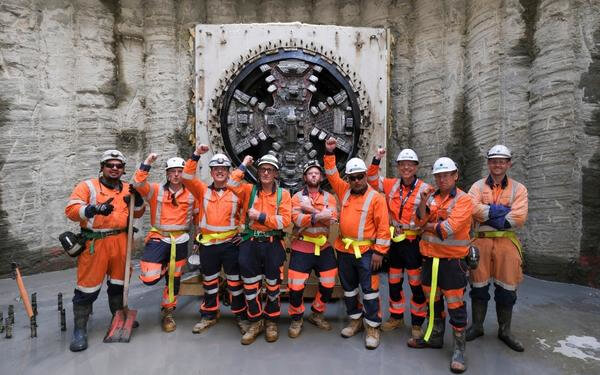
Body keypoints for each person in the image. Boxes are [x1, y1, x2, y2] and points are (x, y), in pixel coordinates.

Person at [65, 149, 145, 352]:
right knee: (87, 289)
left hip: (121, 241)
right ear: (102, 168)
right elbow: (71, 210)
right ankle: (80, 331)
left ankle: (118, 318)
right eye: (110, 165)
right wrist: (93, 209)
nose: (114, 168)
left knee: (119, 284)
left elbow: (138, 213)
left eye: (119, 166)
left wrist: (138, 201)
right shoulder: (88, 186)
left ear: (123, 170)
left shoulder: (128, 188)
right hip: (95, 243)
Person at [407, 157, 473, 373]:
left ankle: (459, 350)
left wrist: (426, 226)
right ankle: (434, 338)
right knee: (432, 303)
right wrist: (424, 204)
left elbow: (447, 229)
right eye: (438, 176)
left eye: (446, 175)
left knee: (455, 306)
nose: (442, 179)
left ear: (456, 176)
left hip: (452, 264)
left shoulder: (464, 200)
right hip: (429, 261)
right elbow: (417, 223)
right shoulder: (431, 198)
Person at [323, 138, 390, 350]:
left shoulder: (376, 198)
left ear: (365, 178)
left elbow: (383, 227)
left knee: (370, 290)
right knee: (349, 289)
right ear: (349, 180)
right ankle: (355, 320)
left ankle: (372, 326)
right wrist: (329, 152)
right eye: (353, 178)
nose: (357, 181)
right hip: (344, 250)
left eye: (361, 177)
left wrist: (380, 252)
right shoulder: (344, 191)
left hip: (367, 252)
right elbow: (332, 174)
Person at [466, 145, 528, 352]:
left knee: (507, 288)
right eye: (494, 161)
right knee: (478, 286)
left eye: (502, 161)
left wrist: (489, 214)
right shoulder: (476, 187)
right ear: (488, 163)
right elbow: (471, 208)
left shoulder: (519, 189)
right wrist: (501, 212)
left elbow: (517, 218)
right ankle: (477, 326)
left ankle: (505, 331)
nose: (498, 164)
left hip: (507, 243)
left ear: (509, 163)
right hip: (480, 242)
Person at [181, 145, 248, 334]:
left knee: (235, 282)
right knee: (209, 281)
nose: (220, 172)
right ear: (211, 172)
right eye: (216, 169)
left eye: (224, 169)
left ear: (228, 172)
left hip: (230, 245)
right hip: (208, 245)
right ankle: (209, 314)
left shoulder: (237, 191)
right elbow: (186, 177)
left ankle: (240, 315)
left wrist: (242, 235)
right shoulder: (202, 190)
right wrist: (196, 155)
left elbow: (246, 215)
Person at [226, 153, 291, 345]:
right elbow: (230, 183)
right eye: (262, 169)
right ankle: (255, 321)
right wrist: (245, 164)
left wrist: (261, 217)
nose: (265, 173)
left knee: (273, 286)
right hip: (250, 243)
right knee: (250, 285)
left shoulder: (283, 195)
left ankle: (271, 322)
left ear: (276, 173)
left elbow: (284, 221)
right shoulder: (248, 190)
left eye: (269, 170)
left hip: (273, 244)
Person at [367, 147, 430, 340]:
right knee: (394, 282)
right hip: (394, 242)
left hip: (412, 243)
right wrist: (377, 159)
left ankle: (418, 322)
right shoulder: (391, 184)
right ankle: (396, 316)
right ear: (398, 167)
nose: (406, 168)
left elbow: (426, 216)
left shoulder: (425, 189)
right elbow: (371, 179)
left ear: (416, 167)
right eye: (403, 164)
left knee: (415, 283)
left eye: (410, 165)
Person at [132, 153, 199, 332]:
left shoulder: (193, 194)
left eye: (180, 171)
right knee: (149, 277)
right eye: (173, 171)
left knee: (174, 279)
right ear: (167, 174)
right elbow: (138, 184)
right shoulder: (155, 190)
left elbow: (198, 218)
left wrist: (197, 240)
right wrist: (147, 163)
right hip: (159, 237)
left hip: (181, 240)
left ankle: (168, 312)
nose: (177, 175)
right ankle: (163, 268)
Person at [287, 160, 339, 338]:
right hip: (302, 246)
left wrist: (308, 210)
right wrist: (320, 214)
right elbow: (297, 220)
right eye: (310, 173)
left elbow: (332, 219)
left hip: (323, 247)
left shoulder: (329, 197)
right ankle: (296, 318)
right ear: (304, 177)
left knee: (329, 281)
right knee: (295, 286)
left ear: (322, 177)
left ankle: (317, 312)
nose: (314, 175)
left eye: (317, 173)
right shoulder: (295, 197)